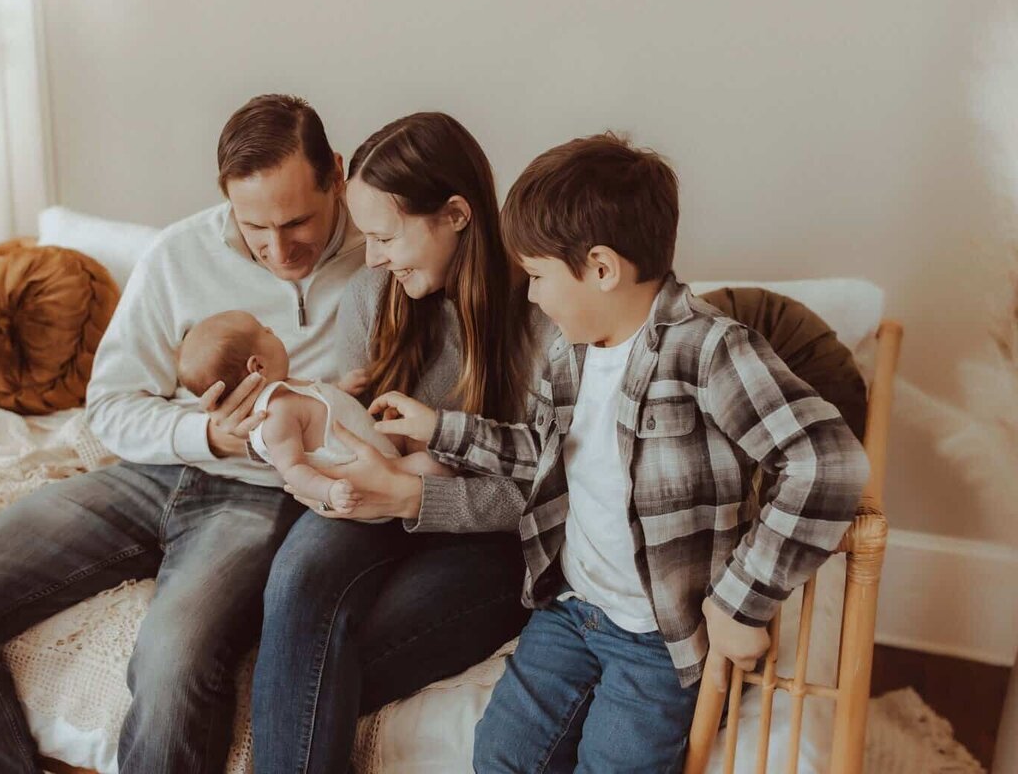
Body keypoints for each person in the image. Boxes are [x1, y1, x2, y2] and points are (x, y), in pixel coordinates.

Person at [0, 94, 365, 774]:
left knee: (171, 664)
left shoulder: (384, 260)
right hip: (147, 473)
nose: (279, 249)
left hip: (258, 497)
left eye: (297, 222)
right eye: (255, 227)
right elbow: (110, 405)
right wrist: (203, 434)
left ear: (335, 175)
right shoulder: (180, 252)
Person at [371, 132, 872, 772]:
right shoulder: (569, 355)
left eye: (538, 277)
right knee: (501, 753)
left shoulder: (710, 351)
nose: (531, 297)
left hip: (660, 638)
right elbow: (543, 457)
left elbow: (826, 462)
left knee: (617, 762)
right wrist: (441, 428)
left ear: (601, 269)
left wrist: (740, 602)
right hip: (571, 610)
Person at [251, 112, 548, 773]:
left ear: (455, 215)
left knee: (325, 663)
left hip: (488, 542)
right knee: (297, 585)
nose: (375, 255)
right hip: (375, 500)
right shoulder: (371, 296)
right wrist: (314, 431)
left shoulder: (544, 317)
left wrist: (414, 495)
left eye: (386, 236)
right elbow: (343, 433)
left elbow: (550, 490)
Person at [176, 309, 452, 511]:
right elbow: (293, 470)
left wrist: (342, 388)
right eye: (265, 331)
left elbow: (319, 409)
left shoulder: (287, 387)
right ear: (257, 366)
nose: (271, 330)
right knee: (429, 465)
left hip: (376, 444)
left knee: (415, 434)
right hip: (364, 475)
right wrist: (330, 491)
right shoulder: (275, 417)